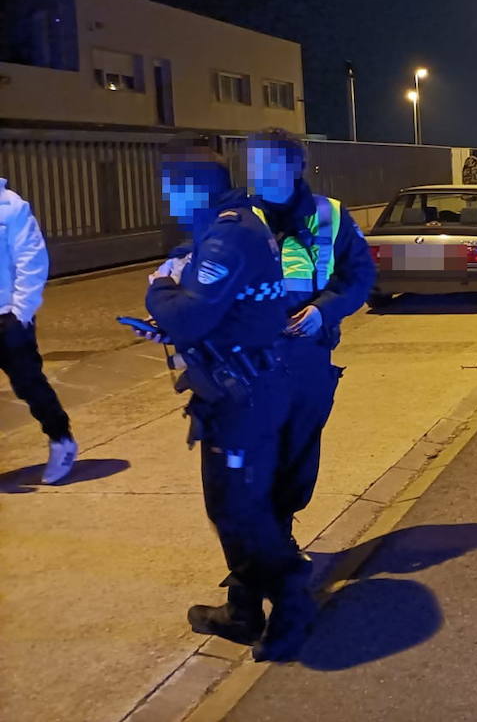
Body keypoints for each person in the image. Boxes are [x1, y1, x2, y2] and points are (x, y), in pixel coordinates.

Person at [146, 145, 312, 661]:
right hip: (242, 387)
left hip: (246, 396)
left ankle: (291, 602)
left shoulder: (228, 234)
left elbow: (190, 313)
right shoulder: (233, 225)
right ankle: (243, 611)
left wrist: (159, 290)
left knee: (238, 508)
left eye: (173, 187)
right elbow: (222, 309)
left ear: (195, 187)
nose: (167, 198)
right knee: (237, 504)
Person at [245, 129, 375, 570]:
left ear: (295, 167)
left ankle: (279, 540)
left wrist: (325, 310)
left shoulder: (331, 215)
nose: (258, 174)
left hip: (306, 357)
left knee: (297, 457)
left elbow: (358, 278)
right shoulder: (236, 216)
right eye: (253, 164)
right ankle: (255, 566)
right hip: (250, 362)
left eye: (269, 164)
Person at [0, 178, 76, 483]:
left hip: (7, 317)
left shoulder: (11, 207)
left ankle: (61, 439)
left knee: (29, 384)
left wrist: (21, 312)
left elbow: (32, 259)